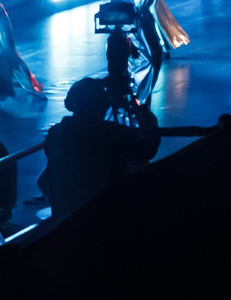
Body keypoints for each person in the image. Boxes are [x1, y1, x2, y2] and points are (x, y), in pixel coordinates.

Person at [36, 76, 159, 218]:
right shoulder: (110, 134)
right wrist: (149, 122)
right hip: (107, 213)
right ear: (104, 104)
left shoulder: (55, 134)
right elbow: (147, 149)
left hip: (66, 217)